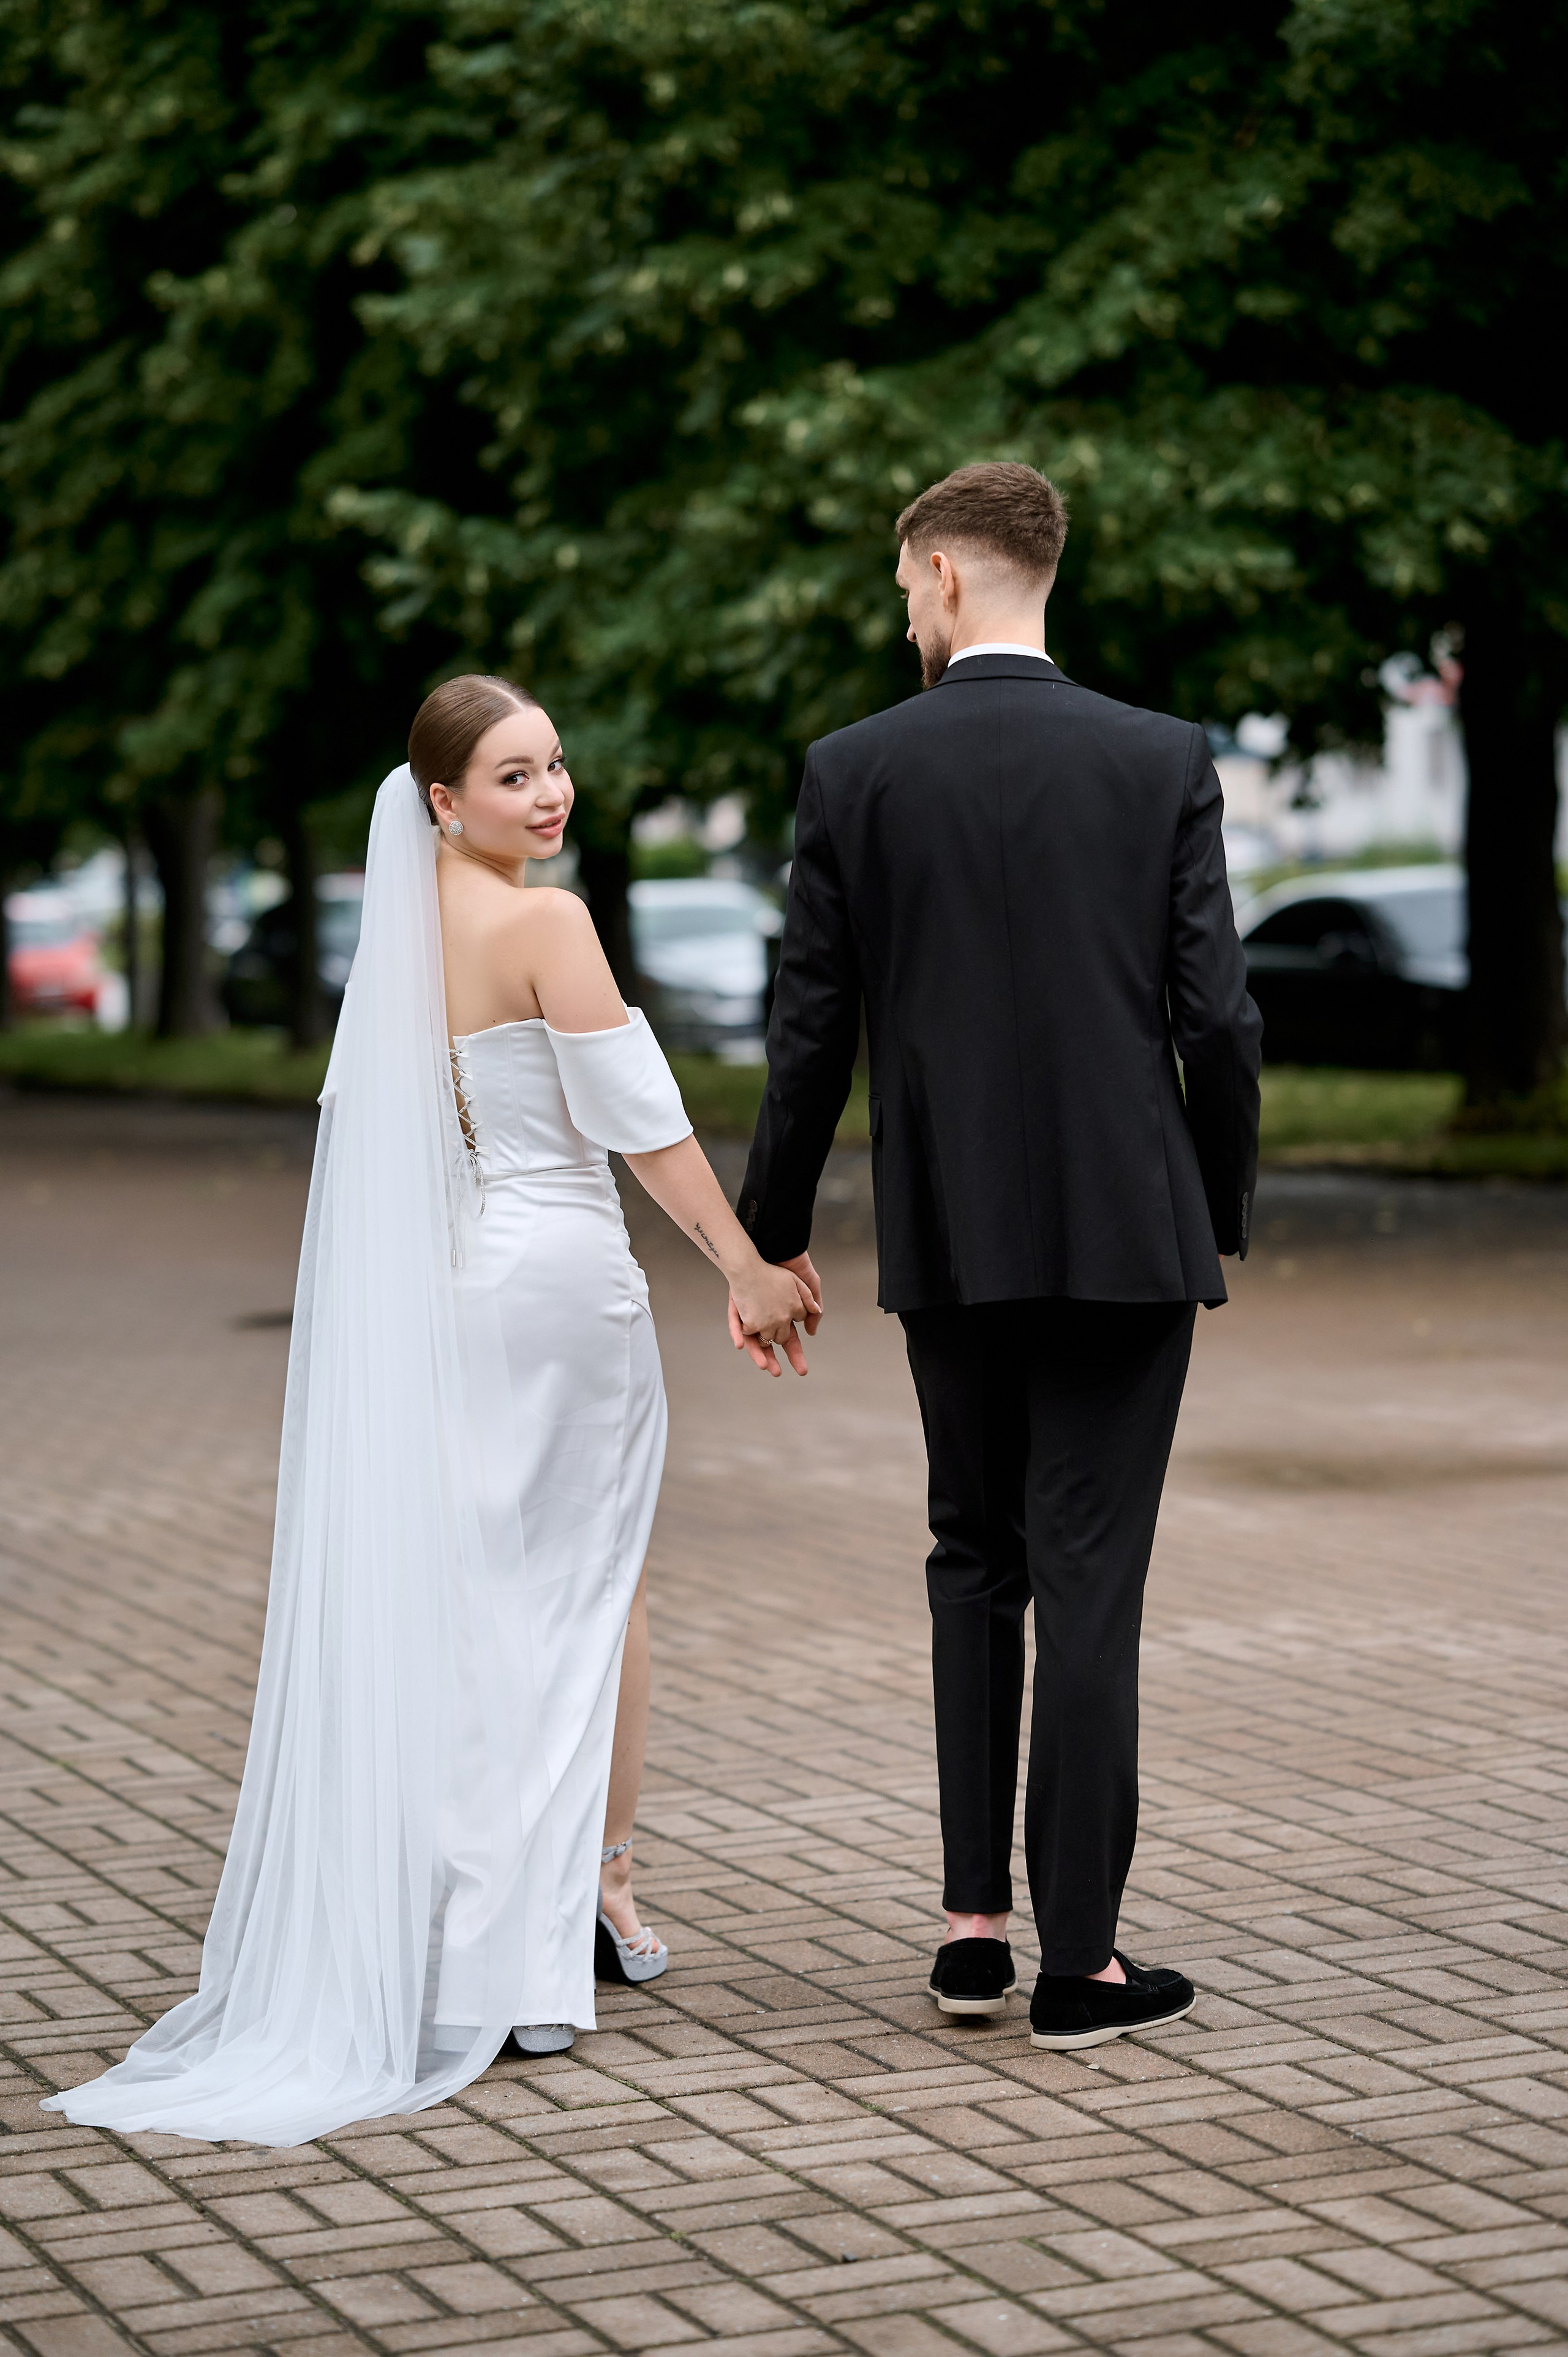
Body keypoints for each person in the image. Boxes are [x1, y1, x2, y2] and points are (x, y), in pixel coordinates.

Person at [44, 676, 815, 2146]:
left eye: (557, 765)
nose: (551, 793)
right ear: (443, 801)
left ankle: (483, 1922)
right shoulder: (549, 924)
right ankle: (575, 1912)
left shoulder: (404, 945)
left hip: (461, 1283)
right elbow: (640, 1124)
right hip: (560, 1282)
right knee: (593, 1587)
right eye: (515, 775)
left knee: (485, 1593)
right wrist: (747, 1269)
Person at [739, 463, 1262, 2051]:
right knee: (1090, 1584)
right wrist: (1212, 1206)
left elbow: (810, 1030)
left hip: (951, 1237)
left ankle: (974, 1930)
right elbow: (1220, 1024)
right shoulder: (1161, 759)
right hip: (1125, 1237)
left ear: (954, 578)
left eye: (904, 584)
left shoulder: (854, 771)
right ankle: (1079, 1966)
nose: (900, 610)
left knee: (973, 1559)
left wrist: (771, 1236)